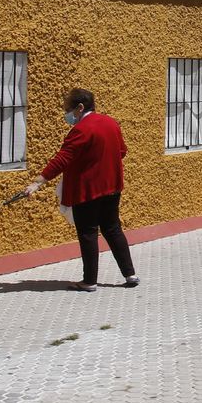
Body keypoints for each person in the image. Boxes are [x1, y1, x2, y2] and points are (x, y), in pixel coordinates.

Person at [25, 88, 138, 291]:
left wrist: (38, 182)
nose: (67, 115)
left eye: (69, 110)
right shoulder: (111, 123)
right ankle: (130, 274)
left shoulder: (81, 130)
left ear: (80, 107)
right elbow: (122, 151)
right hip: (112, 187)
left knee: (88, 232)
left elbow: (62, 159)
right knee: (113, 229)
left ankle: (89, 281)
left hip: (88, 191)